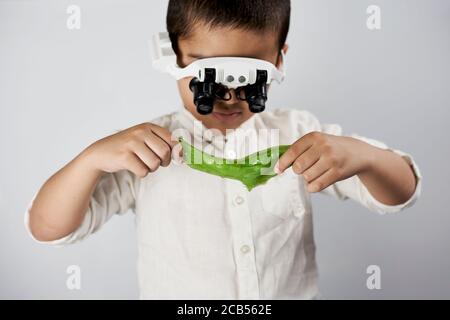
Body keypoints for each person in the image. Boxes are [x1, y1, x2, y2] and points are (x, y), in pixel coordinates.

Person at [25, 0, 422, 299]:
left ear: (280, 59)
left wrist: (365, 156)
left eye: (251, 78)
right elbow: (48, 229)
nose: (229, 97)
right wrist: (89, 160)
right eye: (206, 77)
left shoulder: (303, 133)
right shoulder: (143, 151)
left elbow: (402, 194)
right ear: (171, 56)